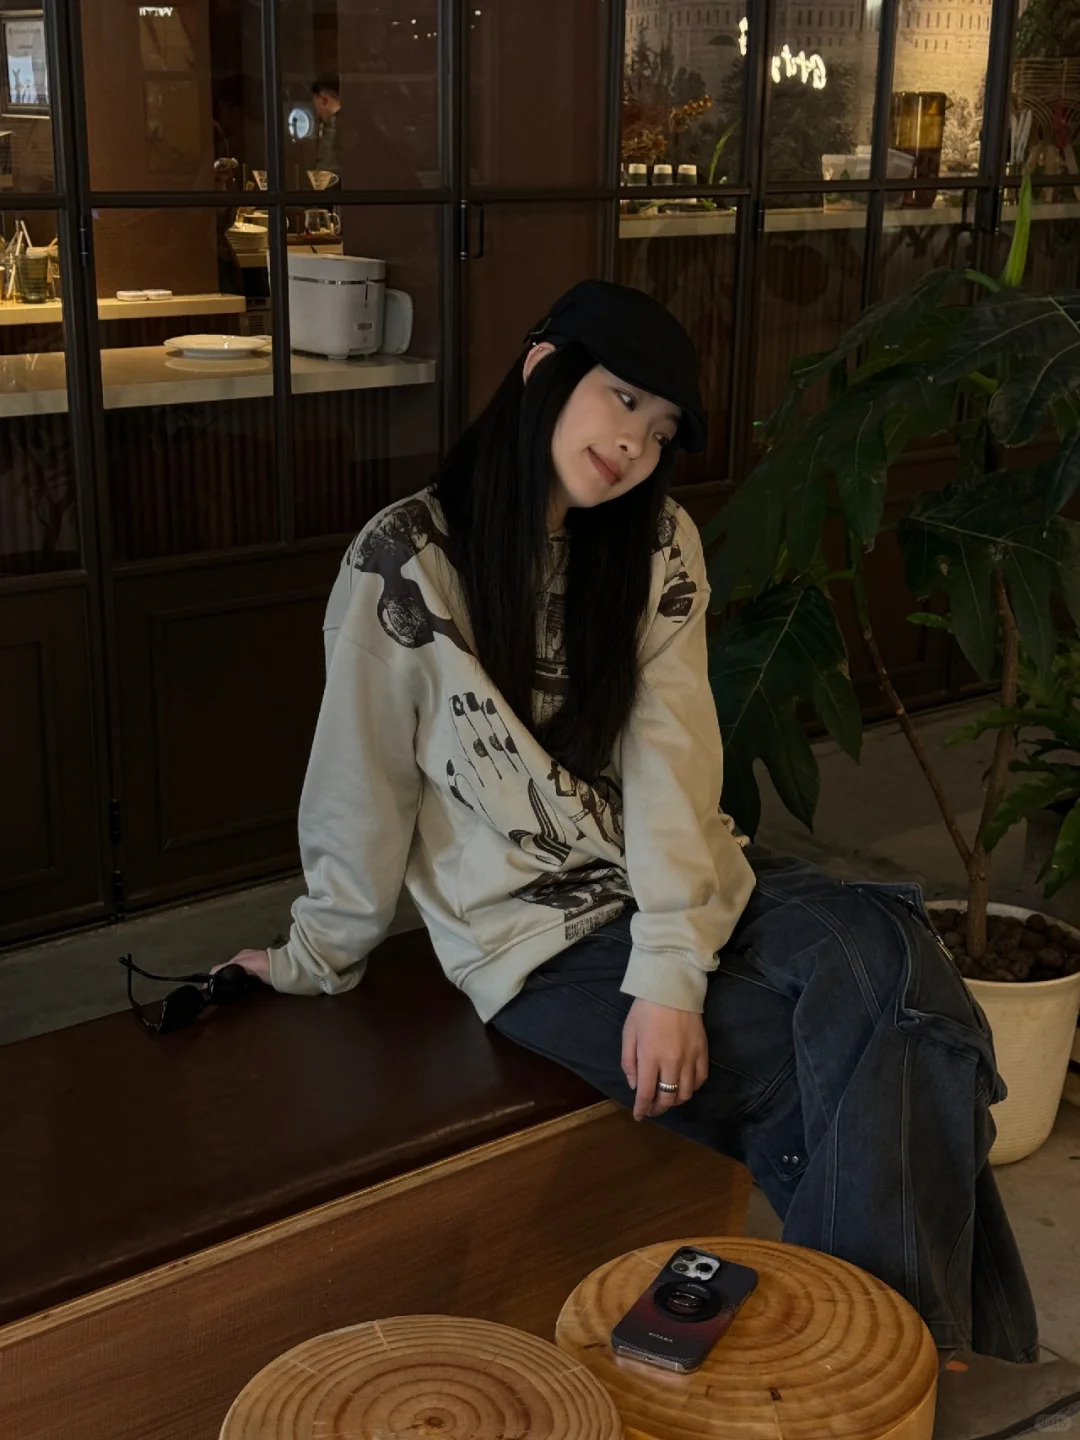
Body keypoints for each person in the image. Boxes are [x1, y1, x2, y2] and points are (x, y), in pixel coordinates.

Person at [218, 281, 1080, 1440]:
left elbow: (675, 764)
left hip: (684, 881)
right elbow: (357, 785)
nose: (635, 443)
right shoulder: (405, 562)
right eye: (622, 400)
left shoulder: (657, 545)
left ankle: (902, 1374)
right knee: (861, 1048)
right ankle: (938, 1369)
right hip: (538, 936)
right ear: (542, 370)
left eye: (661, 428)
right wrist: (317, 953)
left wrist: (672, 969)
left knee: (887, 952)